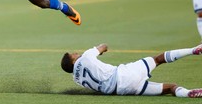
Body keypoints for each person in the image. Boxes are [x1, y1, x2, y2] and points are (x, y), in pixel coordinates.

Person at [61, 43, 202, 98]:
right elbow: (103, 46)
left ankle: (189, 93)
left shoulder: (77, 79)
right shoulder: (86, 56)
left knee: (170, 88)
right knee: (158, 59)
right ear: (73, 60)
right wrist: (101, 50)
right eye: (72, 54)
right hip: (124, 75)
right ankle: (194, 50)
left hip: (123, 90)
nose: (75, 52)